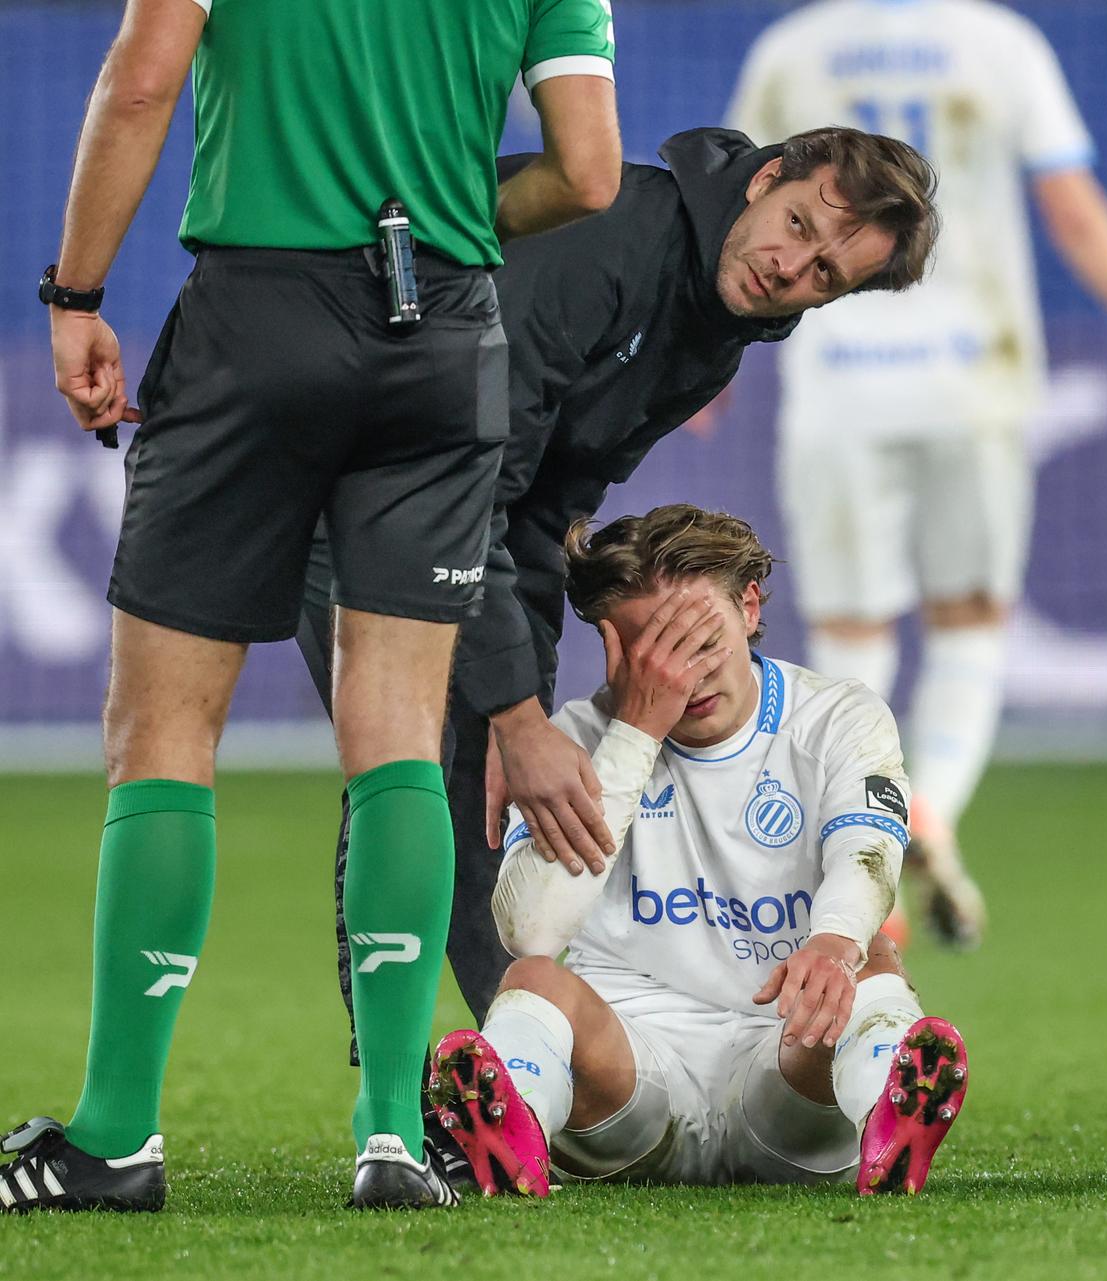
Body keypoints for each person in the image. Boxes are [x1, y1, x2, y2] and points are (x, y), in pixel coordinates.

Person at [3, 0, 620, 1213]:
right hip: (445, 328)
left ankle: (116, 1138)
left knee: (162, 738)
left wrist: (74, 295)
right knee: (394, 733)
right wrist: (447, 214)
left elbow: (141, 84)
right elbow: (591, 171)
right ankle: (391, 1132)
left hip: (259, 318)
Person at [295, 127, 938, 1082]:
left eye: (826, 276)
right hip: (337, 475)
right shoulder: (602, 243)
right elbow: (463, 486)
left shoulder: (718, 329)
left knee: (504, 806)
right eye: (797, 225)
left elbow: (549, 503)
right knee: (415, 763)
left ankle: (511, 1085)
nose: (791, 270)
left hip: (442, 501)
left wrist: (537, 701)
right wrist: (516, 715)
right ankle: (393, 1096)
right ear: (765, 179)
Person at [727, 0, 1107, 949]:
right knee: (969, 622)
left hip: (840, 385)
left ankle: (854, 849)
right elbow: (1070, 210)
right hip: (974, 380)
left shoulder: (793, 48)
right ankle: (932, 808)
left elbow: (735, 201)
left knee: (849, 632)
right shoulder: (1000, 43)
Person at [425, 506, 967, 1196]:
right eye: (657, 658)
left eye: (702, 643)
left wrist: (833, 940)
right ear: (613, 646)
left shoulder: (838, 717)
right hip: (629, 1086)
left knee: (869, 956)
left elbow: (865, 849)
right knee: (532, 979)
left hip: (789, 1064)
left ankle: (889, 1117)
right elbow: (529, 929)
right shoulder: (578, 741)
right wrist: (634, 733)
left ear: (749, 606)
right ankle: (515, 1130)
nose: (687, 680)